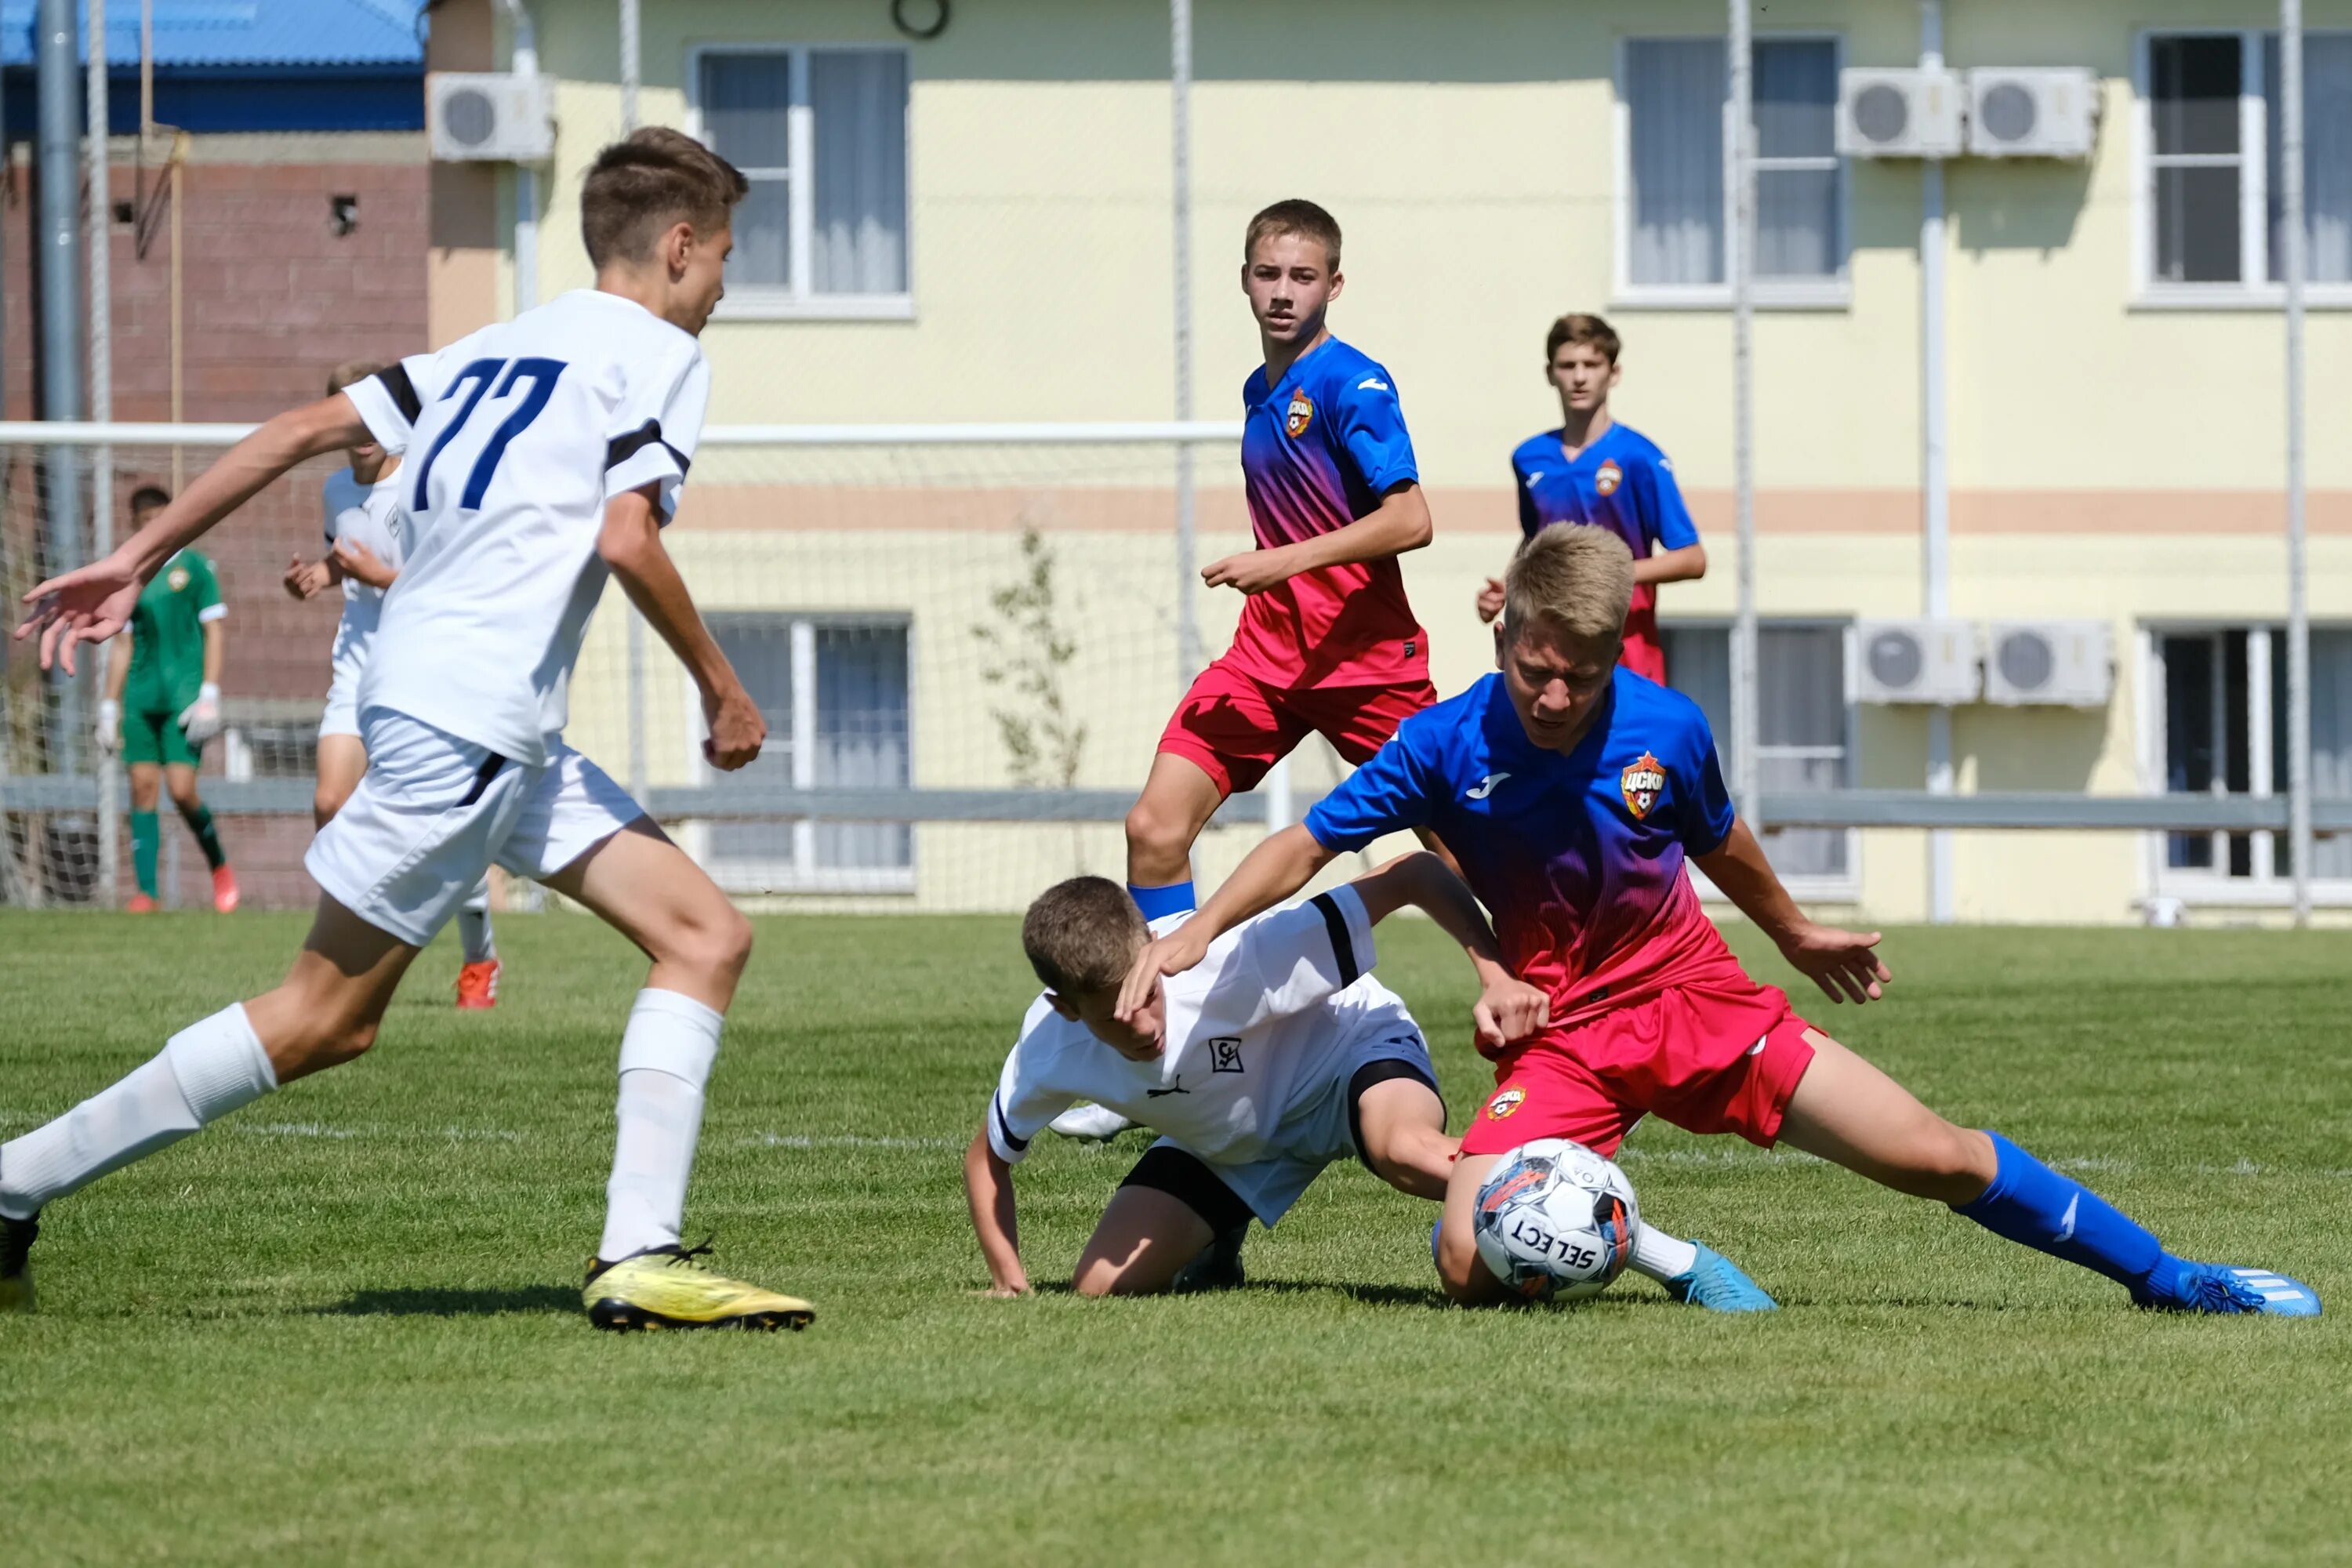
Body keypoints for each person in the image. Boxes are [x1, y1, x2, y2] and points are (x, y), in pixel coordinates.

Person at [4, 128, 810, 1331]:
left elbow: (292, 433)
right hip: (469, 720)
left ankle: (636, 1253)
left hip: (472, 717)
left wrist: (133, 556)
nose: (728, 286)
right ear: (681, 246)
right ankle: (16, 1179)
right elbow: (628, 536)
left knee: (704, 935)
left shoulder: (496, 347)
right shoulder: (656, 355)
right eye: (727, 256)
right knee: (326, 1017)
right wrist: (722, 689)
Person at [1123, 526, 2321, 1318]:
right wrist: (1195, 929)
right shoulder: (1441, 743)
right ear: (1502, 640)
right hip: (1567, 1039)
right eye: (1537, 669)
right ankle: (1653, 1251)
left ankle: (2170, 1279)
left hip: (1695, 999)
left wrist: (1796, 935)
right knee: (1462, 1261)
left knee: (1934, 1156)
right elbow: (1307, 841)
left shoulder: (1666, 728)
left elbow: (1722, 842)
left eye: (1580, 679)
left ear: (1612, 664)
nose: (1554, 697)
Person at [969, 865, 1773, 1310]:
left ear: (1153, 944)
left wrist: (1493, 969)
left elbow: (1415, 875)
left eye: (1145, 988)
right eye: (1113, 1012)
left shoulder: (1232, 962)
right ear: (1064, 1007)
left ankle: (1678, 1261)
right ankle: (1218, 1243)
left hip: (1349, 1057)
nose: (1143, 1018)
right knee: (1099, 1287)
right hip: (1230, 1145)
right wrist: (1009, 1273)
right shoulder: (1049, 1048)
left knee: (1408, 1153)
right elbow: (989, 1156)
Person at [1123, 198, 1437, 927]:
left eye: (1303, 275)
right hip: (1266, 662)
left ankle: (1565, 995)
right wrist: (1282, 577)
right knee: (1154, 829)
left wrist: (1283, 563)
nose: (1284, 291)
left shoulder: (1352, 382)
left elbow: (1412, 518)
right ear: (1244, 281)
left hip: (1365, 667)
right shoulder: (1258, 391)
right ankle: (1170, 1013)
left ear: (1334, 285)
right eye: (1269, 274)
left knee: (1472, 853)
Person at [285, 361, 501, 1010]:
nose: (365, 433)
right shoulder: (334, 492)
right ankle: (343, 962)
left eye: (377, 419)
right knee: (330, 803)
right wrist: (322, 577)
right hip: (357, 662)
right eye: (352, 419)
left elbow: (446, 583)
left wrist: (377, 578)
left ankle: (479, 956)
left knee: (444, 828)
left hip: (421, 666)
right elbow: (344, 550)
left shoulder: (422, 486)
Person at [1475, 314, 1704, 684]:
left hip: (1624, 648)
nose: (1579, 377)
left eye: (1591, 365)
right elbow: (1537, 539)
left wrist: (1601, 574)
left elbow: (1692, 559)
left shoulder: (1639, 457)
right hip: (1550, 651)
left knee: (1632, 742)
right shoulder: (1530, 457)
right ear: (1551, 374)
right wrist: (1508, 585)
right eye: (1568, 365)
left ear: (1613, 374)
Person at [96, 486, 238, 913]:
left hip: (185, 699)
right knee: (141, 788)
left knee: (181, 790)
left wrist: (210, 692)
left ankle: (219, 865)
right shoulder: (130, 574)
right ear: (135, 523)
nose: (154, 526)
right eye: (146, 520)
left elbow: (214, 630)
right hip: (140, 698)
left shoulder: (195, 569)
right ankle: (147, 894)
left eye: (161, 517)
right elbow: (122, 644)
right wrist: (109, 705)